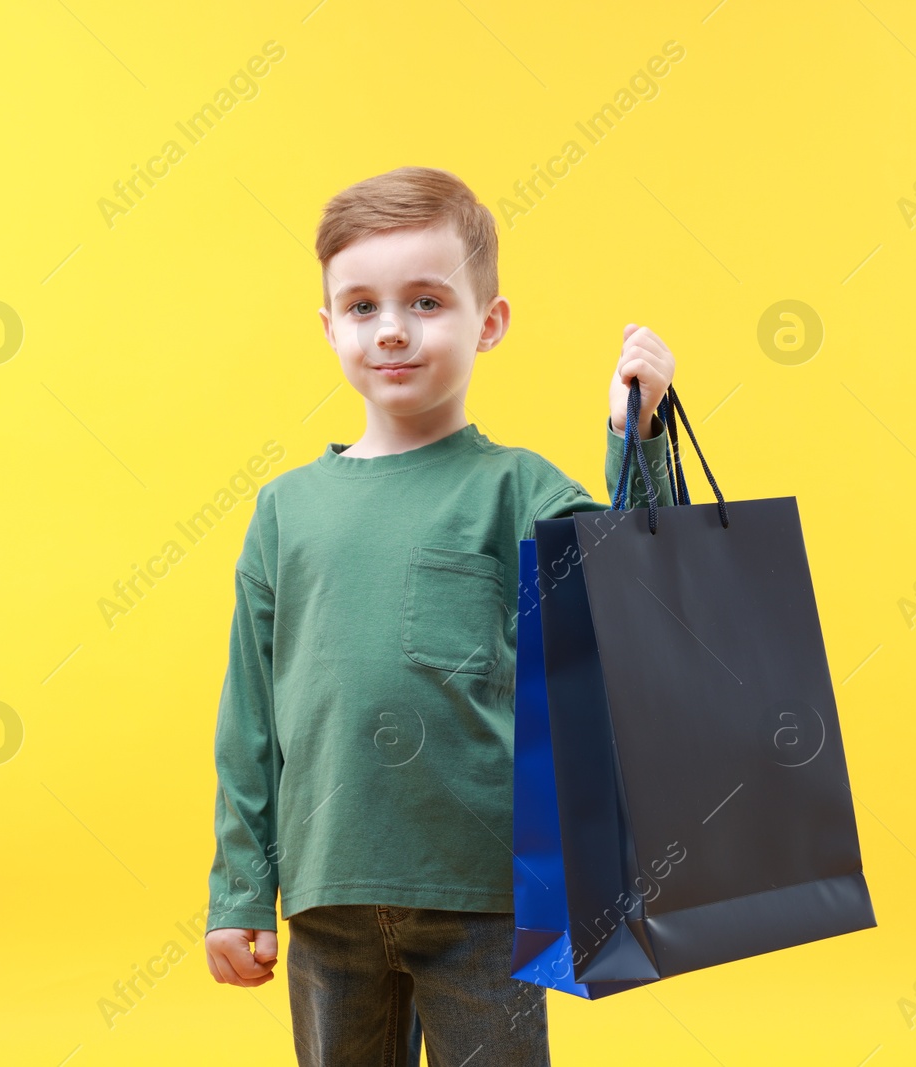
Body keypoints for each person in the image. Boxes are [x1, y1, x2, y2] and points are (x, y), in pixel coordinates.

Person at [201, 165, 678, 1066]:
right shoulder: (283, 509)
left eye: (426, 302)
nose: (391, 330)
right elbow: (250, 717)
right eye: (362, 306)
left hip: (482, 892)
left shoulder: (517, 487)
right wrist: (239, 890)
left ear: (488, 323)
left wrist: (638, 431)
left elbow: (635, 596)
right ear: (330, 325)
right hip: (326, 890)